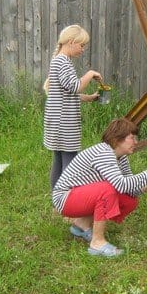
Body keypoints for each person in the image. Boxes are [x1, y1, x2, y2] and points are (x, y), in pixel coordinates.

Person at [52, 118, 147, 257]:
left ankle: (81, 225)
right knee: (107, 190)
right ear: (118, 139)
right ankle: (97, 243)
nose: (136, 142)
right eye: (132, 138)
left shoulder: (121, 156)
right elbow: (120, 184)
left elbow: (130, 190)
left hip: (79, 196)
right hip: (64, 198)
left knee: (129, 200)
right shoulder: (104, 152)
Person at [43, 24, 102, 191]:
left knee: (59, 161)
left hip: (57, 123)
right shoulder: (62, 62)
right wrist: (90, 74)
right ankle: (67, 204)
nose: (82, 49)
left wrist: (89, 98)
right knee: (70, 165)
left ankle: (57, 202)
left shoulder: (59, 61)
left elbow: (67, 92)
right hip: (64, 124)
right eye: (81, 45)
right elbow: (75, 87)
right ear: (70, 42)